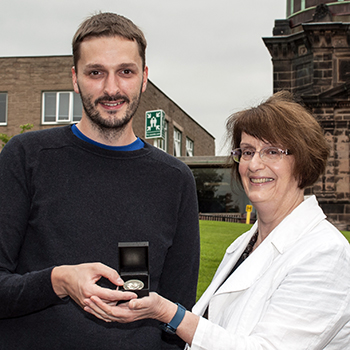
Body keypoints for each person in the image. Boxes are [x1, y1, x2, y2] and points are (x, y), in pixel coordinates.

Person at [83, 91, 350, 349]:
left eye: (272, 152)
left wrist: (169, 313)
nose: (254, 164)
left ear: (304, 161)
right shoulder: (246, 243)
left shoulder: (326, 253)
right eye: (247, 151)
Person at [0, 12, 200, 350]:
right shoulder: (27, 157)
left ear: (144, 78)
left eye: (125, 72)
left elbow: (177, 315)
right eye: (96, 73)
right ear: (75, 79)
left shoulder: (175, 180)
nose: (112, 88)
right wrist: (57, 280)